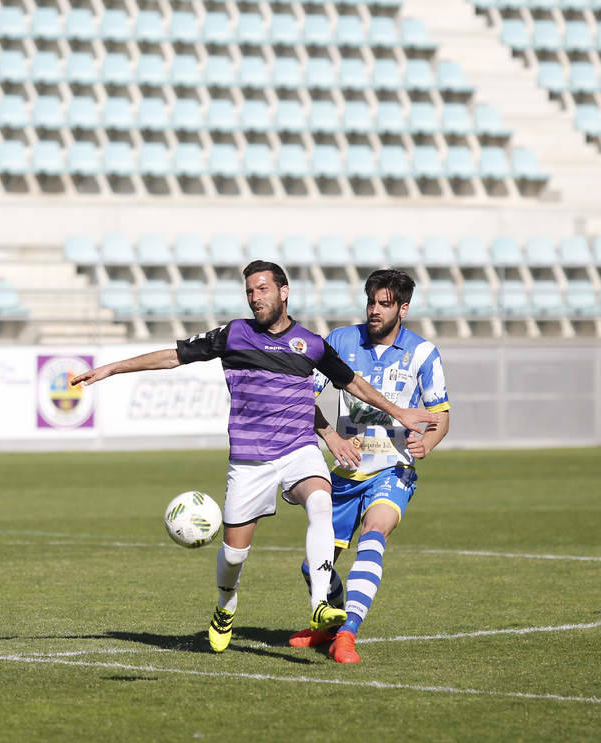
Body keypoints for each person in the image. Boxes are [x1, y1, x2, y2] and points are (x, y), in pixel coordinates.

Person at [71, 261, 438, 654]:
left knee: (319, 500)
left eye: (262, 289)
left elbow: (354, 384)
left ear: (284, 292)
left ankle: (319, 605)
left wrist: (397, 414)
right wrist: (112, 368)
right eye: (249, 291)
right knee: (233, 555)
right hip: (250, 460)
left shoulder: (311, 343)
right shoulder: (234, 334)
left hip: (299, 449)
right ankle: (225, 606)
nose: (255, 297)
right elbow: (174, 355)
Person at [288, 268, 450, 663]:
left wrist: (426, 442)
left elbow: (440, 415)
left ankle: (347, 633)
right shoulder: (341, 341)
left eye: (385, 304)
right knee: (314, 566)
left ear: (403, 309)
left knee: (374, 533)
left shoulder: (423, 353)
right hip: (346, 468)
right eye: (371, 302)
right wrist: (331, 436)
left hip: (393, 467)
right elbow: (302, 395)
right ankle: (329, 624)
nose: (374, 311)